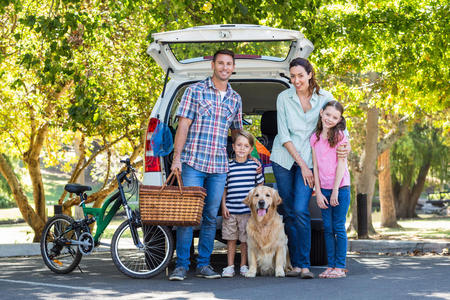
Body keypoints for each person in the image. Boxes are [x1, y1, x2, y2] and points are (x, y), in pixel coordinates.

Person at [270, 57, 350, 279]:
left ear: (310, 74)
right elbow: (284, 134)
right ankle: (296, 263)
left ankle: (304, 265)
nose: (296, 80)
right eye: (292, 76)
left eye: (300, 76)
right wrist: (303, 165)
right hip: (284, 158)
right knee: (290, 212)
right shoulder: (283, 98)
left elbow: (340, 122)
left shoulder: (325, 98)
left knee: (300, 208)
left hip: (310, 160)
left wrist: (346, 148)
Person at [168, 49, 243, 281]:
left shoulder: (235, 98)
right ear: (213, 65)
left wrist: (247, 157)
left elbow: (237, 133)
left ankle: (203, 264)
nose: (224, 67)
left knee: (211, 216)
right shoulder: (195, 91)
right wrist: (177, 158)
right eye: (220, 63)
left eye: (228, 64)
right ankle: (181, 265)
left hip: (219, 166)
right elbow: (183, 126)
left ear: (233, 67)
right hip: (193, 163)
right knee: (188, 216)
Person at [310, 100, 350, 279]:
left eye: (334, 117)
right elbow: (315, 167)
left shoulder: (340, 137)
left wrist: (334, 191)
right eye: (327, 114)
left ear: (339, 119)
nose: (330, 119)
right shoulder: (315, 138)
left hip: (340, 188)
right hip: (323, 190)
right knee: (327, 228)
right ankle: (330, 266)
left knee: (338, 227)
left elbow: (341, 165)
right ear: (321, 113)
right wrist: (318, 192)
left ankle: (340, 267)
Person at [220, 130, 264, 278]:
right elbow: (224, 188)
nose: (241, 149)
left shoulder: (254, 166)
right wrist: (223, 206)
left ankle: (243, 265)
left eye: (246, 146)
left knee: (245, 241)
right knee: (231, 239)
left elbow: (260, 188)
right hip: (231, 211)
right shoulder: (228, 166)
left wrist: (257, 208)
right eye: (239, 145)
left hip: (247, 212)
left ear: (251, 149)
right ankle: (229, 266)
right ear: (233, 146)